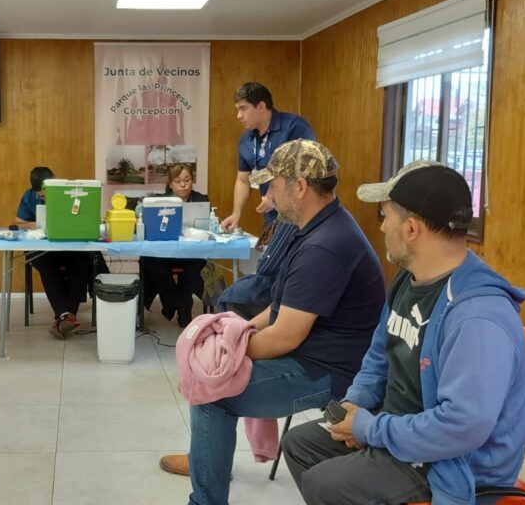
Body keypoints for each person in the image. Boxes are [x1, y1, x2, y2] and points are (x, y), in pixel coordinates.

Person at [282, 160, 525, 505]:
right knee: (299, 444)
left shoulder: (477, 316)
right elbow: (379, 355)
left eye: (385, 217)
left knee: (325, 484)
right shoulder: (409, 280)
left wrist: (370, 429)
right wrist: (357, 402)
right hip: (401, 430)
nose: (382, 227)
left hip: (450, 462)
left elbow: (460, 428)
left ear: (411, 228)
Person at [159, 140, 386, 505]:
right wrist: (239, 335)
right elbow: (279, 308)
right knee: (214, 377)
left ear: (300, 187)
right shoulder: (314, 227)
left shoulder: (323, 245)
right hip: (316, 355)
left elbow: (284, 337)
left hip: (330, 373)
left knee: (212, 393)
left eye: (274, 185)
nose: (269, 195)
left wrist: (224, 355)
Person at [220, 82, 315, 233]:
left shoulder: (295, 127)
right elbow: (243, 180)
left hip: (300, 216)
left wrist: (273, 194)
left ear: (261, 106)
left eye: (243, 109)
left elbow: (308, 169)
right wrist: (236, 213)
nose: (239, 116)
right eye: (238, 110)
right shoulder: (246, 140)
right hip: (271, 218)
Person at [15, 166, 95, 340]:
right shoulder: (29, 196)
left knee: (83, 261)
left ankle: (63, 316)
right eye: (42, 197)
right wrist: (37, 224)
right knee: (46, 264)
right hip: (42, 248)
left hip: (69, 246)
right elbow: (18, 223)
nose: (45, 199)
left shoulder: (72, 193)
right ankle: (66, 316)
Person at [140, 163, 208, 327]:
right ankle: (175, 303)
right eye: (178, 181)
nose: (183, 185)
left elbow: (207, 228)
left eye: (187, 180)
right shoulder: (159, 201)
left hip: (191, 252)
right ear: (170, 184)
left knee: (194, 265)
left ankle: (180, 307)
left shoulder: (201, 200)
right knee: (149, 261)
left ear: (192, 181)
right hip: (166, 253)